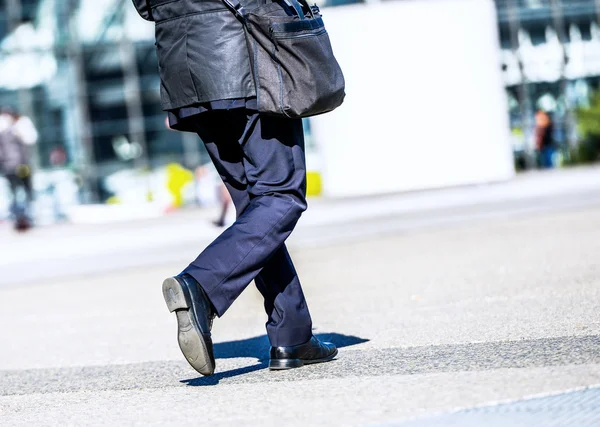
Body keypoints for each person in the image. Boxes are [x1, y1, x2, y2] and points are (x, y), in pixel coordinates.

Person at [132, 0, 337, 376]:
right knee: (280, 197)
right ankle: (201, 286)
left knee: (256, 211)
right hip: (247, 59)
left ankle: (292, 334)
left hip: (185, 70)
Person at [0, 108, 38, 231]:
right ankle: (20, 217)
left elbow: (30, 139)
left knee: (25, 190)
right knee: (16, 192)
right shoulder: (4, 131)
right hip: (11, 167)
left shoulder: (18, 127)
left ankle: (26, 216)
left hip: (21, 165)